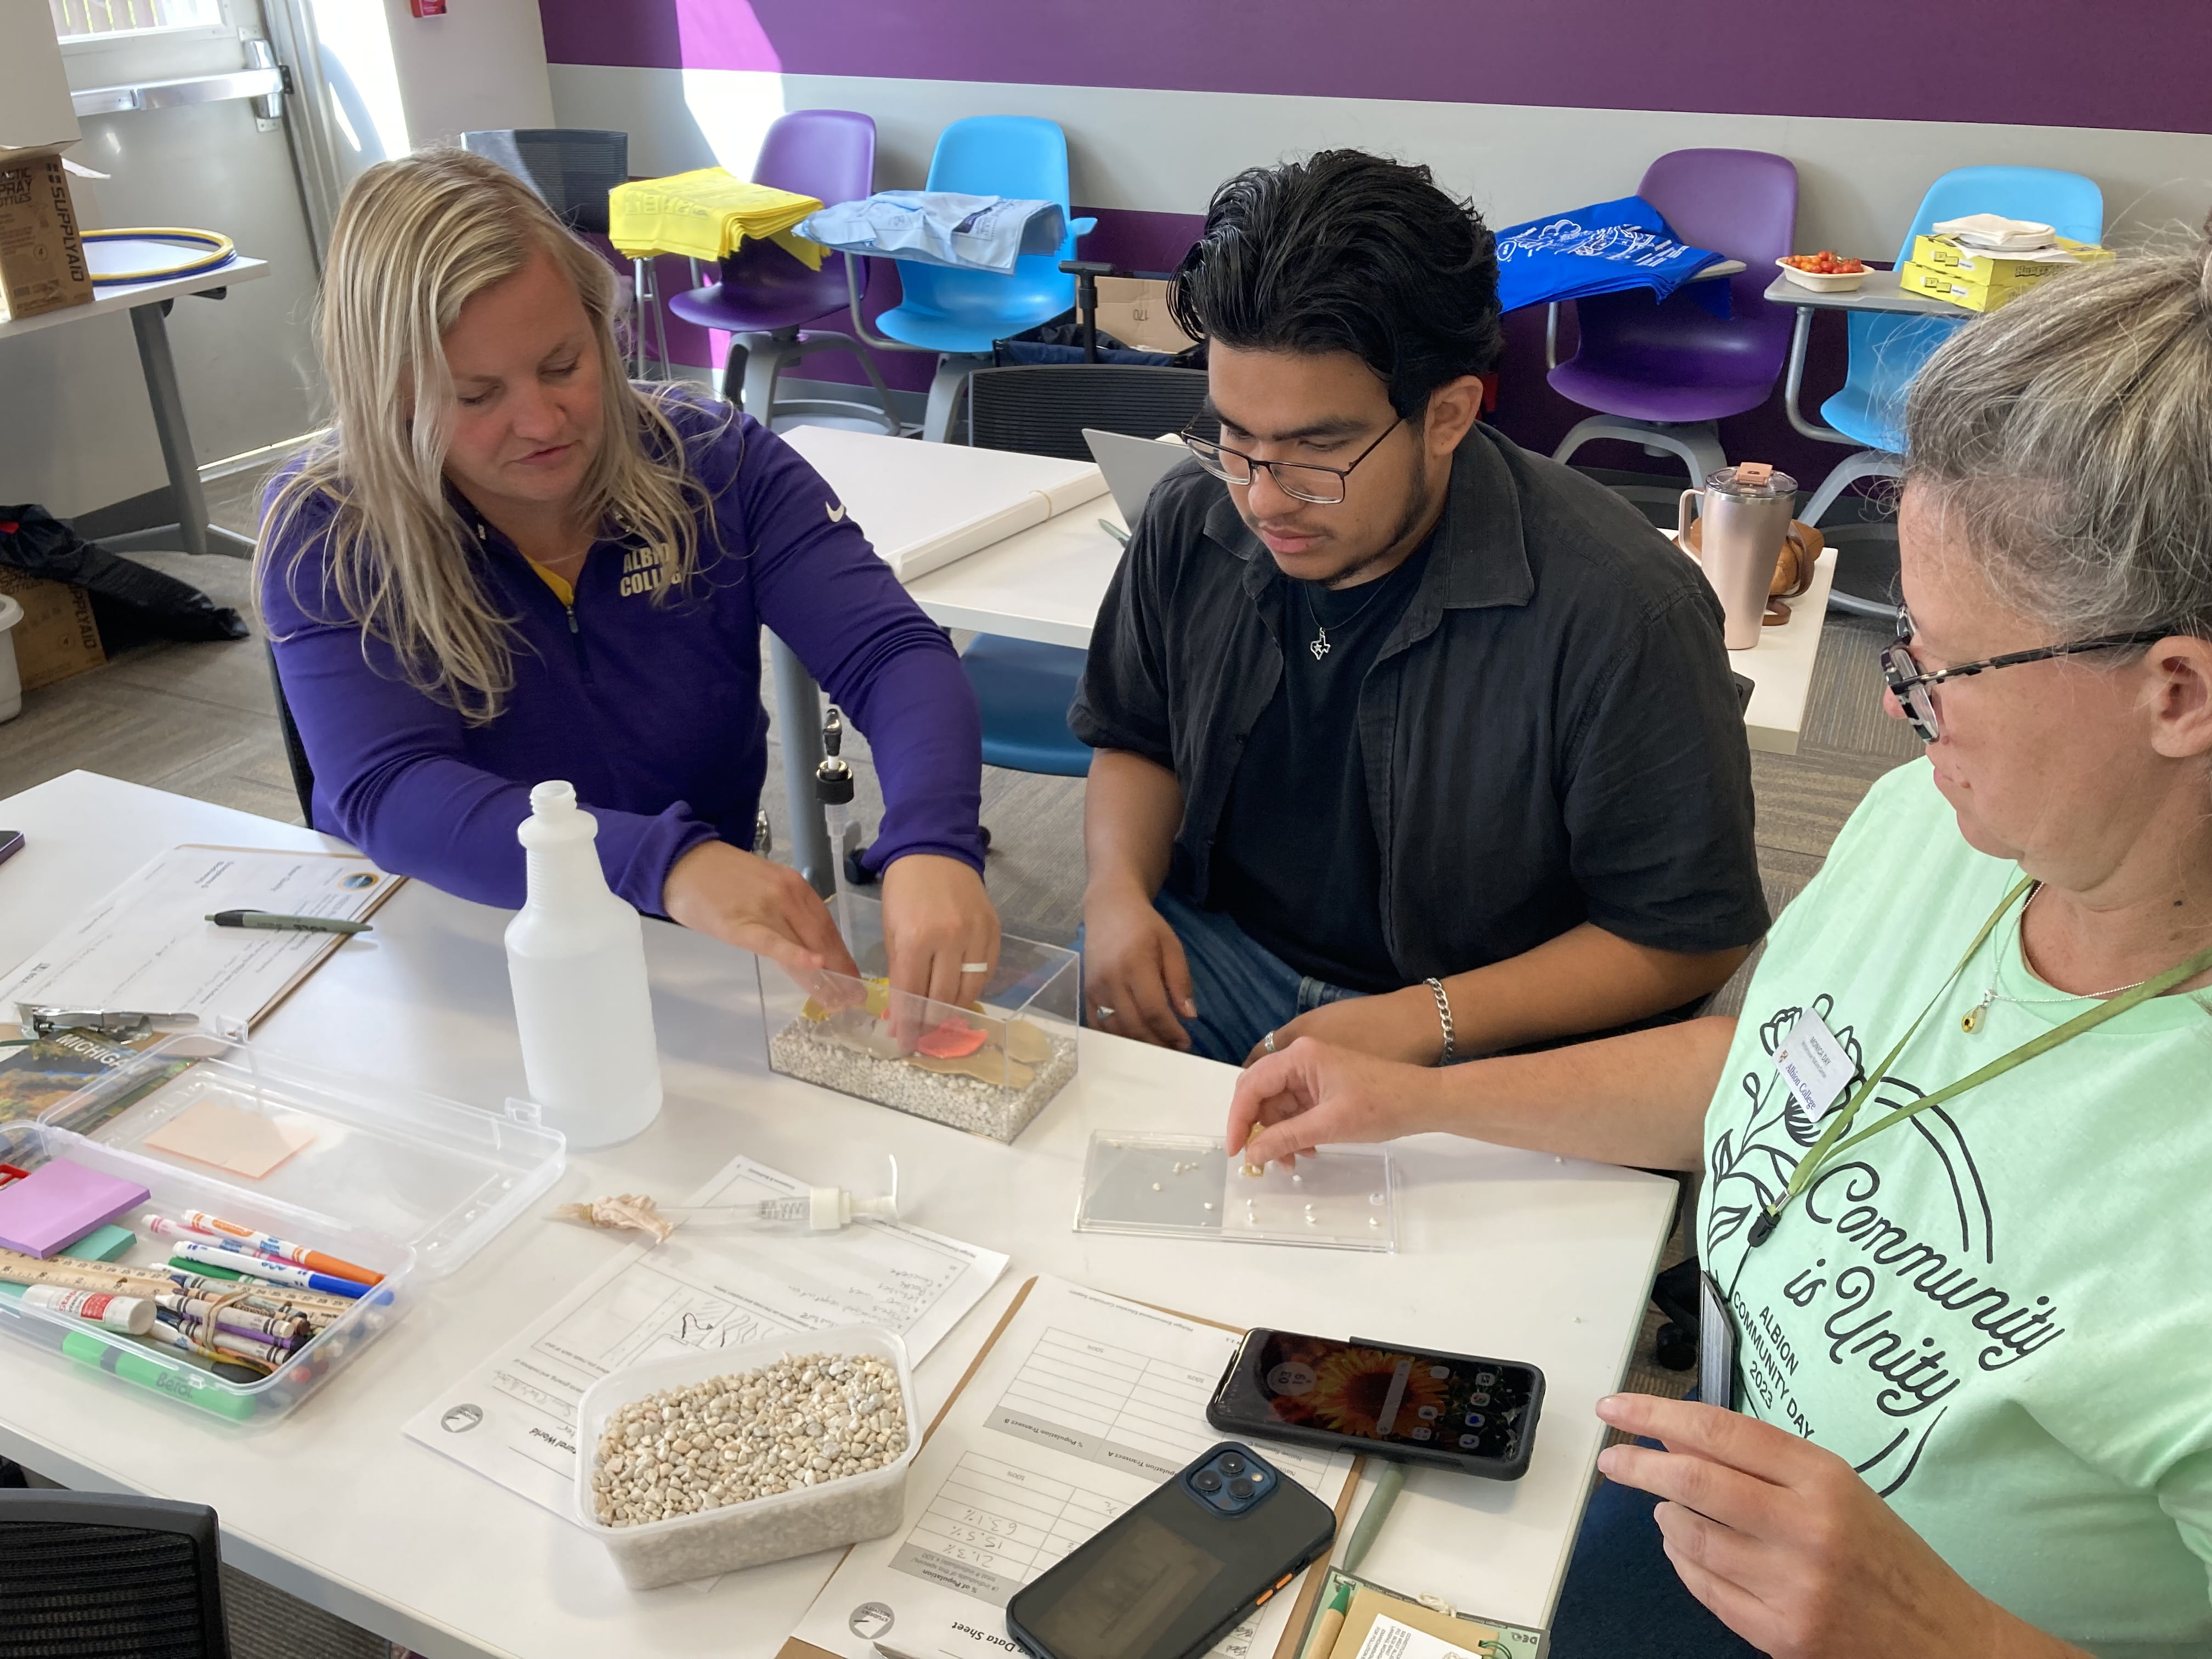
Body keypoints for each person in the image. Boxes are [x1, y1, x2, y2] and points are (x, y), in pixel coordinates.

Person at [1224, 240, 2212, 1656]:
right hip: (1725, 1520)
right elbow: (1779, 1068)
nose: (1902, 710)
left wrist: (1939, 1635)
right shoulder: (1939, 829)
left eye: (1937, 664)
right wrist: (1428, 1097)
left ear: (2176, 692)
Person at [1070, 151, 1768, 1068]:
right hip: (1223, 959)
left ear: (1448, 417)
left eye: (1316, 454)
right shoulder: (1193, 515)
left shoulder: (1622, 610)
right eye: (1234, 437)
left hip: (1480, 1019)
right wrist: (1114, 892)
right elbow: (1137, 737)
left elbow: (1690, 934)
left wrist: (1422, 1020)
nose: (1264, 500)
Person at [258, 150, 998, 1006]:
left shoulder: (713, 462)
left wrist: (933, 841)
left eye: (564, 365)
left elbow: (890, 650)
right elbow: (389, 790)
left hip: (682, 952)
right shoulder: (330, 528)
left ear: (601, 326)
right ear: (389, 391)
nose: (540, 421)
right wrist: (663, 862)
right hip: (453, 955)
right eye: (475, 394)